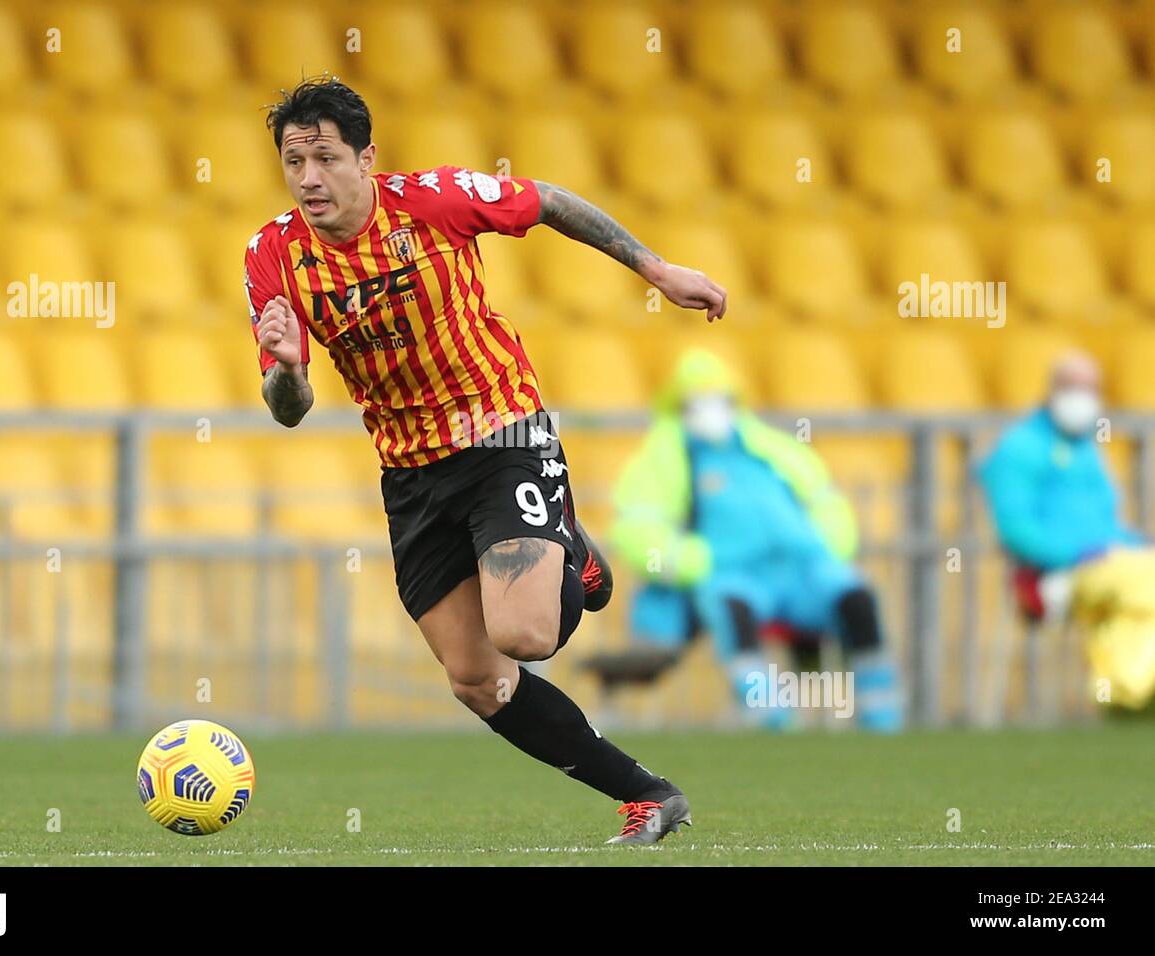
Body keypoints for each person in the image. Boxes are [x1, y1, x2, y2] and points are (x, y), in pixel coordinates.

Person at [244, 77, 728, 843]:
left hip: (502, 435)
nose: (308, 178)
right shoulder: (272, 254)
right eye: (293, 160)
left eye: (326, 157)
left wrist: (657, 269)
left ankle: (568, 547)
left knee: (526, 637)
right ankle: (649, 795)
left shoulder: (435, 200)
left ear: (366, 158)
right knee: (476, 680)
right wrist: (289, 374)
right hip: (410, 474)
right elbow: (289, 411)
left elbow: (551, 201)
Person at [606, 348, 904, 731]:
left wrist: (827, 548)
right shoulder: (664, 457)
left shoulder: (771, 447)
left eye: (720, 399)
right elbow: (639, 524)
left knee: (857, 599)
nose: (711, 410)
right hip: (732, 573)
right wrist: (694, 561)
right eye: (698, 401)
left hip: (806, 568)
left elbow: (824, 499)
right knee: (732, 610)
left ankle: (883, 718)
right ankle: (772, 720)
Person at [978, 351, 1153, 710]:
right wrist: (1075, 555)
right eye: (1073, 387)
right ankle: (1125, 694)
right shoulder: (1019, 447)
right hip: (1054, 573)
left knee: (1141, 587)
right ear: (1051, 390)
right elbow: (1015, 529)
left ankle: (1132, 693)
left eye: (1091, 388)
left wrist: (1137, 545)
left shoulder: (1086, 449)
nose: (1083, 397)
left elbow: (1105, 525)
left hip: (1109, 563)